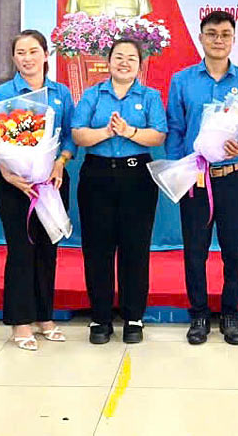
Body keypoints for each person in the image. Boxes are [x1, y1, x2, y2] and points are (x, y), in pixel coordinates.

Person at [166, 11, 238, 345]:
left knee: (234, 248)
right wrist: (183, 168)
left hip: (235, 177)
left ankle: (232, 314)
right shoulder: (182, 80)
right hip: (196, 178)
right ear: (201, 37)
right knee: (195, 250)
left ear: (234, 39)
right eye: (211, 34)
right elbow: (175, 128)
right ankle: (200, 314)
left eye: (224, 34)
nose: (218, 40)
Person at [72, 38, 167, 344]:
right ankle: (99, 317)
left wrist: (130, 132)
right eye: (118, 57)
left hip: (137, 175)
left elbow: (159, 135)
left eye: (131, 59)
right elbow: (77, 133)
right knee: (97, 248)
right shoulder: (92, 95)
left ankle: (133, 317)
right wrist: (106, 132)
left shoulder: (150, 96)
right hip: (97, 175)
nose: (124, 63)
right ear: (109, 62)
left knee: (135, 248)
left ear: (140, 65)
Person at [0, 30, 75, 351]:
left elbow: (68, 135)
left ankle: (44, 316)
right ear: (13, 58)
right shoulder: (3, 92)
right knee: (20, 251)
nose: (27, 58)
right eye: (20, 53)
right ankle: (20, 321)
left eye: (33, 51)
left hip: (50, 184)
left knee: (47, 251)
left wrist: (61, 162)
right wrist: (6, 170)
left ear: (45, 55)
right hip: (14, 185)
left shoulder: (60, 93)